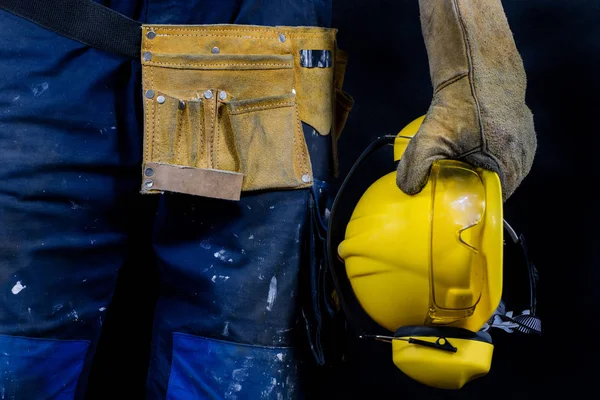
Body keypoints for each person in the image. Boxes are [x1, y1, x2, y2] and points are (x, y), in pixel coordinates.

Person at [0, 0, 535, 399]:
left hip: (259, 53)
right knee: (14, 353)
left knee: (234, 370)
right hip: (42, 30)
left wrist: (474, 71)